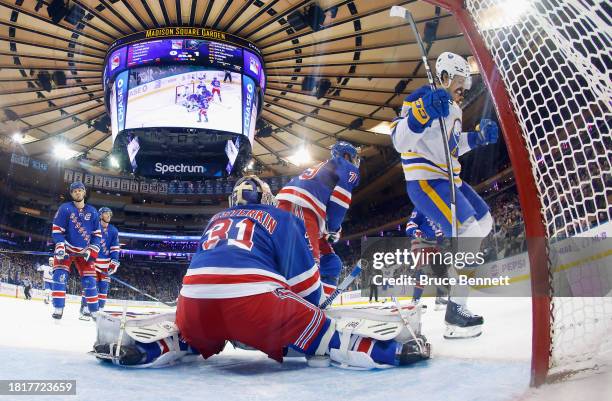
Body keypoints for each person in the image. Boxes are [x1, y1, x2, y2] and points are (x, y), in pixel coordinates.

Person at [92, 176, 430, 369]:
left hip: (194, 301)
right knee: (326, 334)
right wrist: (315, 310)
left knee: (192, 334)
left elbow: (203, 271)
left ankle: (151, 350)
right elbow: (307, 289)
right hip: (255, 304)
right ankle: (389, 352)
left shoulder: (214, 221)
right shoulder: (282, 218)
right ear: (266, 198)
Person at [390, 52, 499, 338]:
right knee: (469, 230)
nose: (464, 90)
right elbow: (400, 140)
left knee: (485, 222)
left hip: (452, 178)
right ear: (446, 77)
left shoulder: (455, 109)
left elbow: (452, 145)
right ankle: (455, 311)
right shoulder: (422, 96)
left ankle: (453, 286)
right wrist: (422, 112)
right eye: (460, 83)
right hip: (427, 180)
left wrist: (478, 137)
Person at [276, 141, 360, 295]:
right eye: (354, 157)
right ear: (347, 155)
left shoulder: (326, 167)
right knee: (310, 264)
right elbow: (340, 200)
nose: (355, 162)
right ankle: (302, 301)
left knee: (332, 262)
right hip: (300, 206)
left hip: (305, 209)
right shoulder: (346, 166)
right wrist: (333, 228)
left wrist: (328, 230)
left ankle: (322, 298)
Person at [51, 181, 102, 320]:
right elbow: (57, 231)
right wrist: (60, 245)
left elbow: (97, 235)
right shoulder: (64, 209)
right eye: (74, 191)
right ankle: (58, 307)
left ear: (84, 192)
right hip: (66, 249)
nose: (77, 192)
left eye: (80, 190)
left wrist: (91, 250)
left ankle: (92, 311)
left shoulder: (93, 212)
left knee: (90, 281)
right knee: (59, 276)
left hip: (84, 251)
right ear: (71, 193)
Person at [80, 207, 120, 320]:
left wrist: (113, 263)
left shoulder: (113, 230)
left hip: (105, 265)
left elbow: (115, 248)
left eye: (110, 214)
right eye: (107, 214)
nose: (109, 216)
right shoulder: (92, 227)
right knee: (91, 286)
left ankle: (100, 311)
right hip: (92, 263)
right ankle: (85, 309)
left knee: (103, 288)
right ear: (100, 215)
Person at [405, 209, 448, 310]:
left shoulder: (439, 212)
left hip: (434, 245)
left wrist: (441, 236)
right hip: (420, 242)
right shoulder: (420, 207)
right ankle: (415, 301)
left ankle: (440, 299)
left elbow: (440, 234)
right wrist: (415, 231)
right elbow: (410, 225)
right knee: (423, 271)